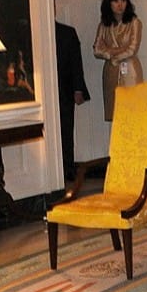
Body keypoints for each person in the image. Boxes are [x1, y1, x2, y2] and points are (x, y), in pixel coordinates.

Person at [92, 0, 143, 121]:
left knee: (132, 111)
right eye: (116, 1)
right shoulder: (104, 25)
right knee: (115, 112)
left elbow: (132, 49)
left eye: (123, 0)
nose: (120, 5)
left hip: (130, 71)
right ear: (109, 4)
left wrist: (111, 53)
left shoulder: (134, 23)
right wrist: (112, 55)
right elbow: (97, 50)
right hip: (111, 71)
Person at [55, 21, 91, 182]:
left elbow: (76, 62)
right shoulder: (33, 30)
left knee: (66, 129)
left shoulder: (67, 32)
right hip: (42, 91)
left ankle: (68, 168)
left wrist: (78, 89)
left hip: (64, 90)